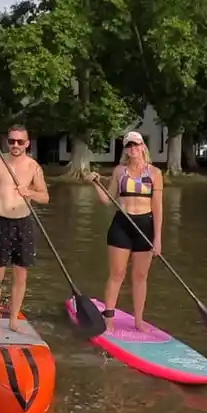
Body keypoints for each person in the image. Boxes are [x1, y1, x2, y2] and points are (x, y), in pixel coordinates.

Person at [0, 123, 49, 335]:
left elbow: (45, 197)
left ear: (27, 143)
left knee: (21, 275)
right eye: (11, 141)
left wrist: (29, 192)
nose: (15, 145)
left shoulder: (34, 167)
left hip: (23, 223)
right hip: (0, 222)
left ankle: (13, 319)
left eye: (19, 142)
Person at [86, 129, 163, 332]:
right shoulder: (119, 171)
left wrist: (158, 239)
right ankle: (108, 319)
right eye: (129, 145)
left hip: (145, 226)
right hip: (121, 225)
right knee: (116, 274)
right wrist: (95, 183)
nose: (133, 149)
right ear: (126, 150)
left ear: (142, 147)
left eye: (136, 144)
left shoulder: (155, 173)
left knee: (139, 277)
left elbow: (158, 207)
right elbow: (107, 200)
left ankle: (138, 321)